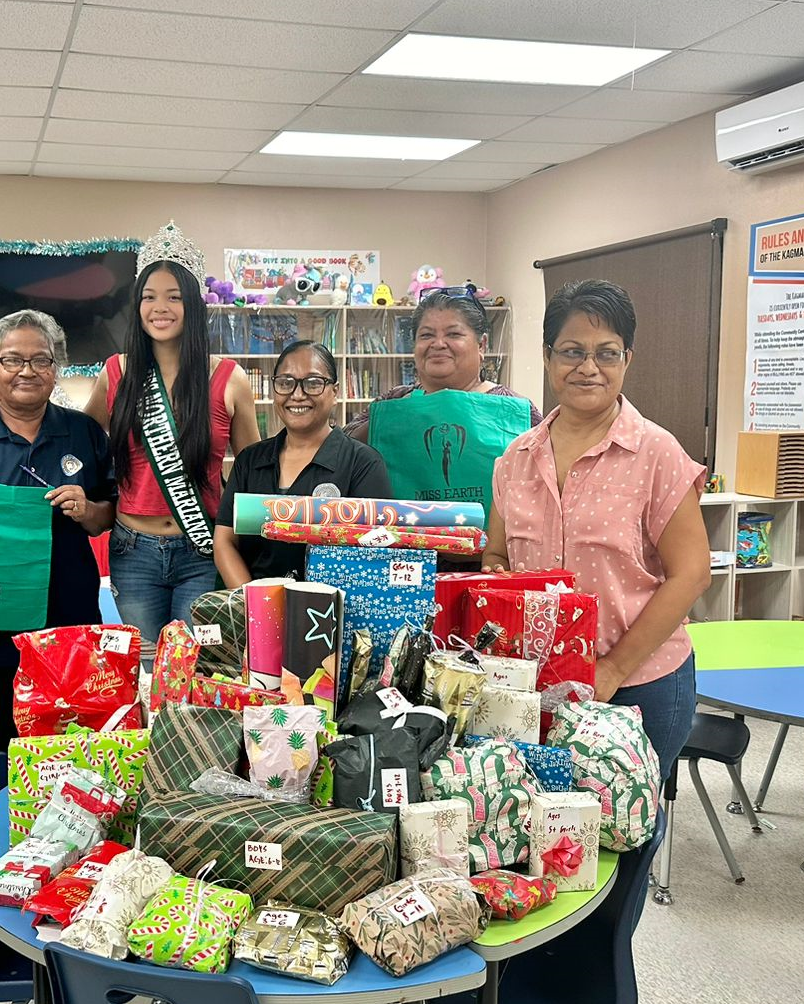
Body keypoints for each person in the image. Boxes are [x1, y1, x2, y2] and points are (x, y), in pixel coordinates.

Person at [483, 279, 711, 769]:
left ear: (627, 360)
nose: (588, 368)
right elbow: (498, 556)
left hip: (640, 680)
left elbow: (691, 573)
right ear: (548, 358)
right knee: (547, 822)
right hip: (537, 683)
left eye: (607, 353)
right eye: (571, 351)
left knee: (629, 831)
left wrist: (612, 668)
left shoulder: (657, 453)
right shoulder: (514, 459)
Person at [0, 310, 115, 758]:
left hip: (70, 621)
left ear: (56, 368)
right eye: (12, 360)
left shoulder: (83, 432)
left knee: (72, 753)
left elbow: (109, 514)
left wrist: (88, 509)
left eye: (41, 360)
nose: (26, 371)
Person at [85, 221, 259, 642]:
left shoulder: (228, 379)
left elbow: (255, 470)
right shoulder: (116, 372)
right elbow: (84, 442)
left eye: (173, 297)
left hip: (202, 549)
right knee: (145, 670)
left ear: (193, 305)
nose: (159, 308)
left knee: (196, 674)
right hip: (133, 549)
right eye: (148, 297)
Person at [214, 340, 391, 585]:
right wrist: (254, 603)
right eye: (286, 383)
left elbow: (373, 552)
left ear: (335, 392)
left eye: (313, 383)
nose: (297, 395)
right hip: (254, 609)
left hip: (333, 613)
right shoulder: (250, 460)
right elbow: (225, 541)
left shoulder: (363, 463)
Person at [345, 286, 543, 442]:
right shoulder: (393, 400)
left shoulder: (513, 409)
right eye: (426, 335)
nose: (438, 344)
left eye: (453, 334)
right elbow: (342, 451)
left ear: (481, 345)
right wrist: (398, 415)